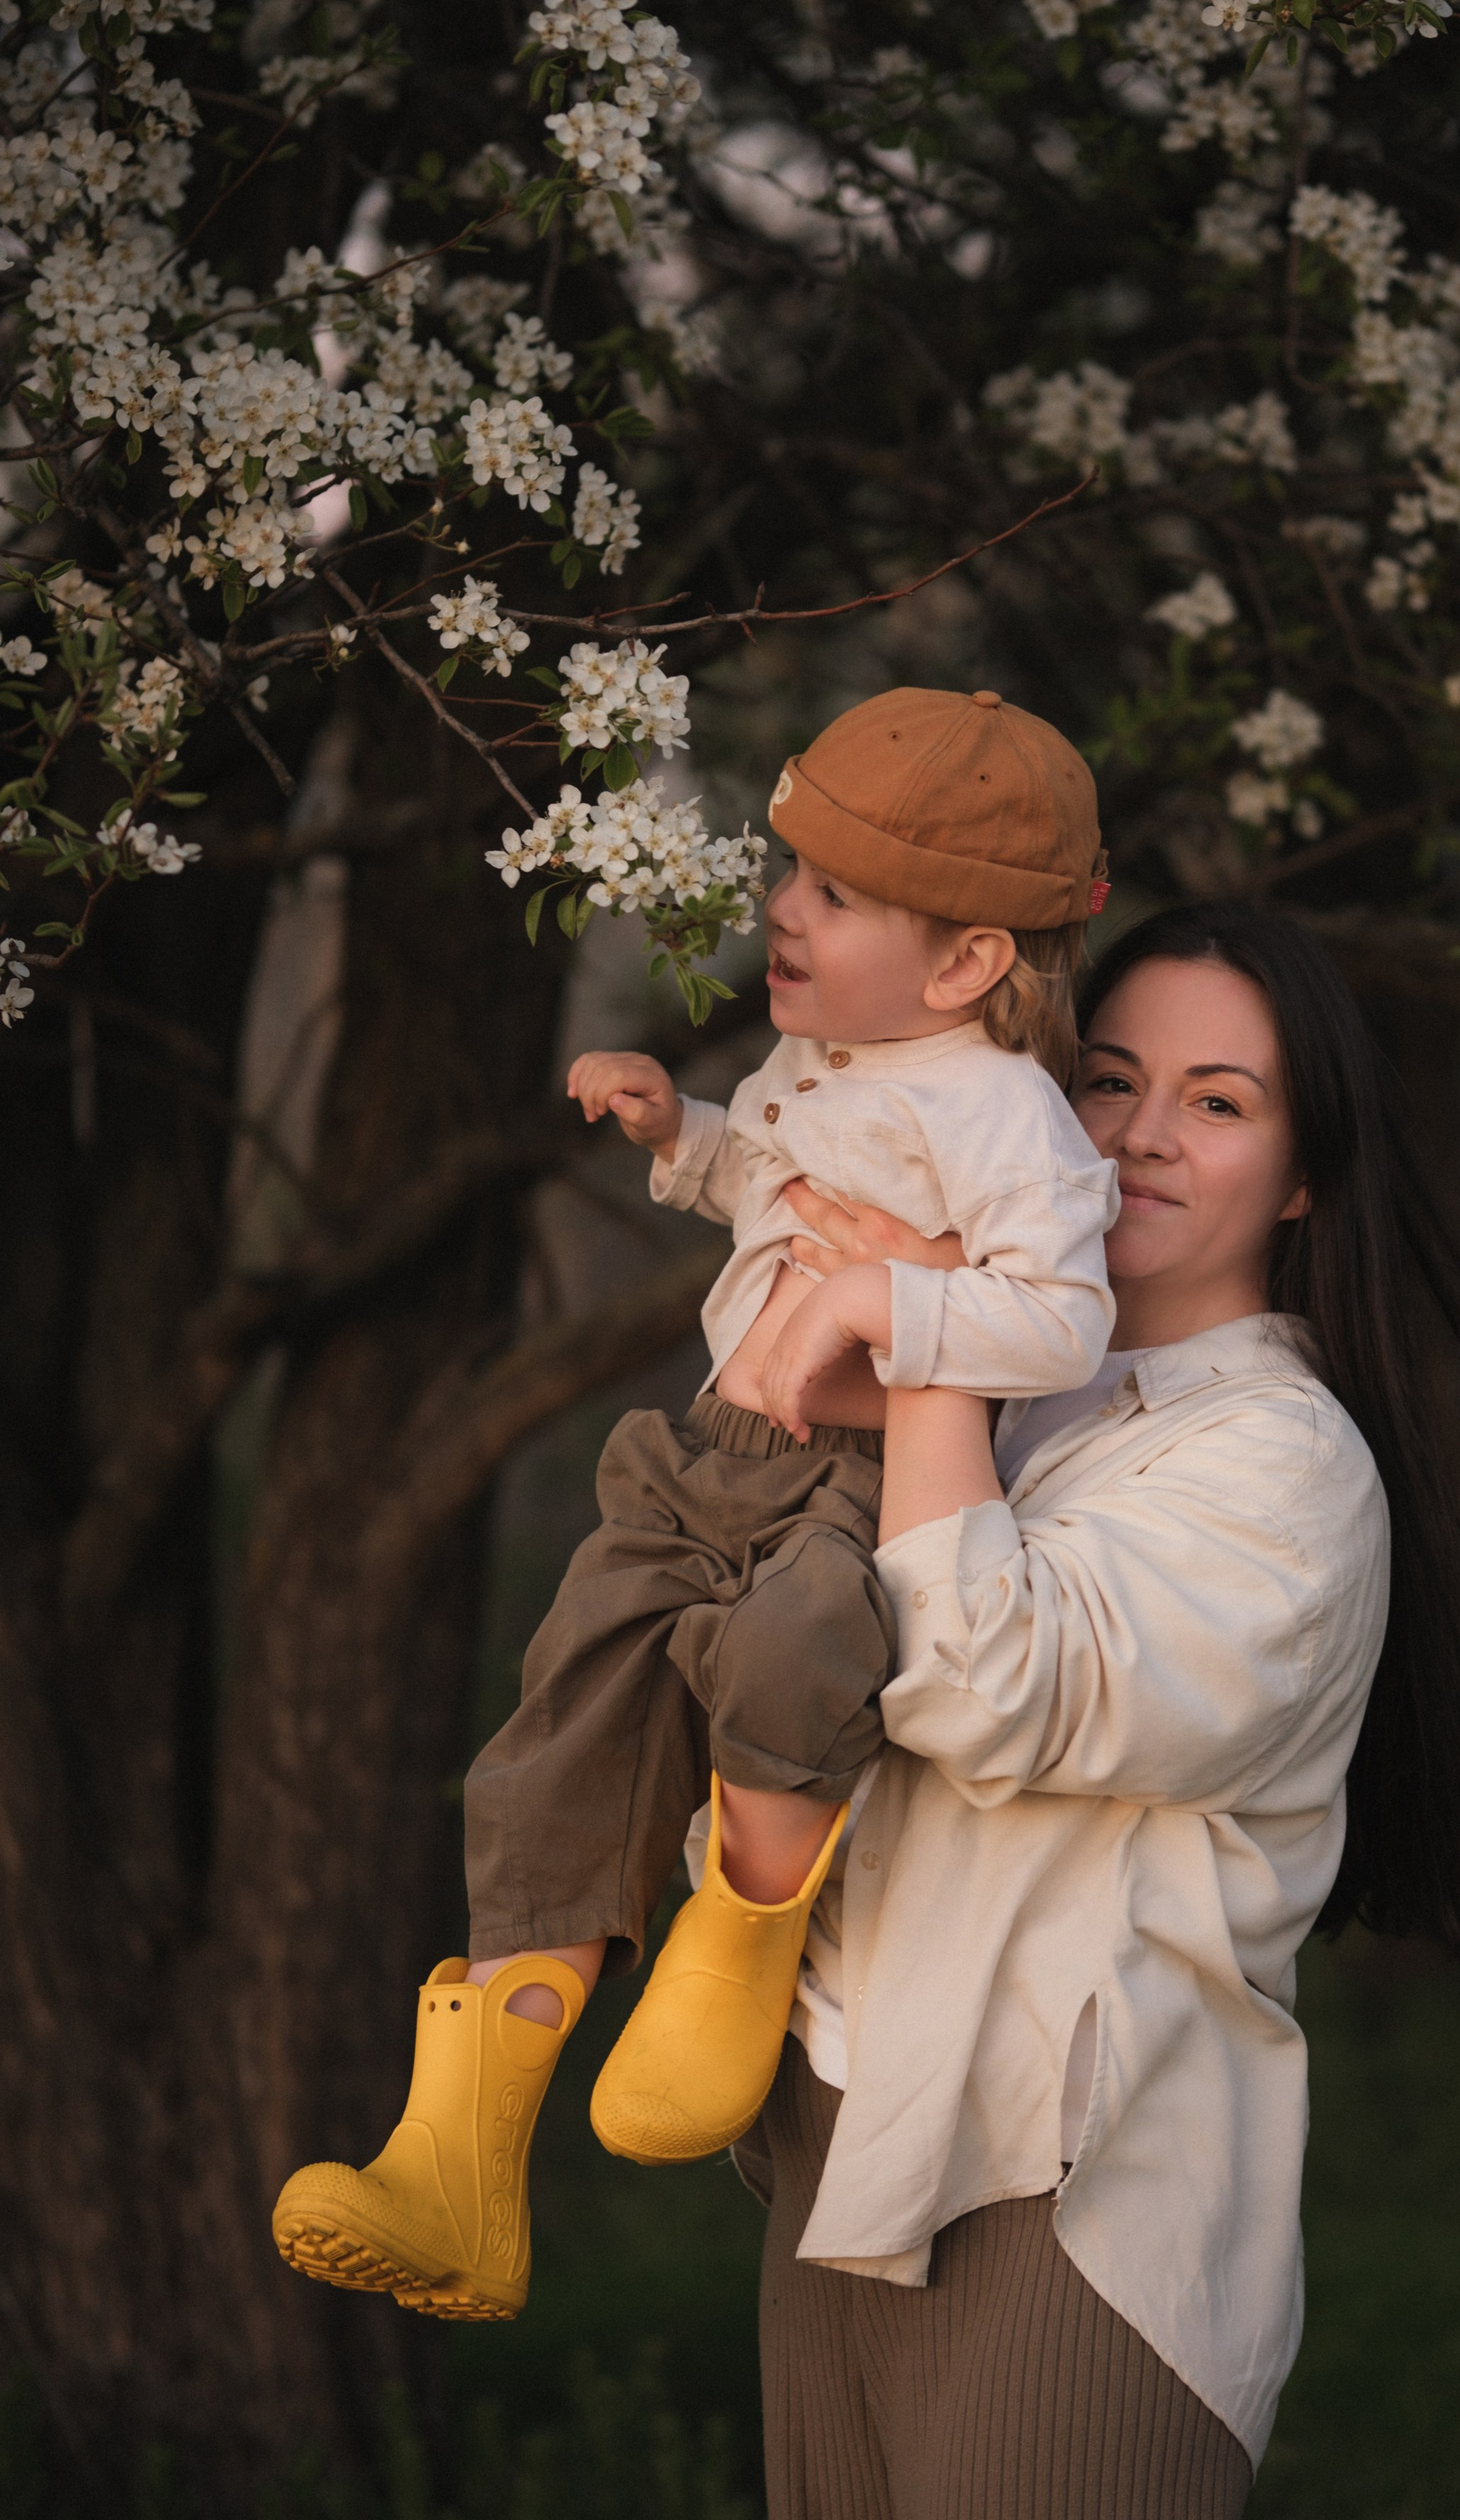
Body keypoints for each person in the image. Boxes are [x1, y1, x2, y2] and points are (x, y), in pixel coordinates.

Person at [738, 898, 1460, 2520]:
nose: (1137, 1139)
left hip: (1075, 2211)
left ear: (1300, 1181)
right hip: (845, 2145)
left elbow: (983, 1687)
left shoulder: (1282, 1463)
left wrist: (929, 1330)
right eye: (1105, 1082)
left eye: (1215, 1103)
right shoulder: (1032, 1408)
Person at [269, 685, 1119, 2322]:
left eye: (831, 896)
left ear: (964, 965)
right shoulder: (827, 1052)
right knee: (555, 1735)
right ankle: (456, 2169)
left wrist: (887, 1310)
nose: (779, 913)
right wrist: (686, 1132)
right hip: (697, 1458)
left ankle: (729, 1962)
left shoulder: (1010, 1122)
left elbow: (1061, 1321)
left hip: (848, 1488)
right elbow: (769, 1183)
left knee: (795, 1652)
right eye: (788, 874)